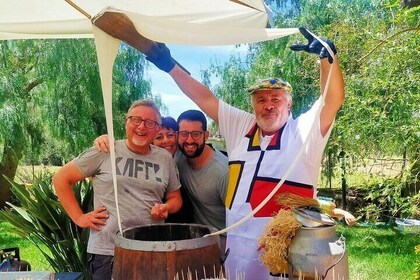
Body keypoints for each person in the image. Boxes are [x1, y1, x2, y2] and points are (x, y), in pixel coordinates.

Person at [145, 27, 345, 279]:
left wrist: (328, 58)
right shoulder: (241, 126)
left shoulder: (304, 133)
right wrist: (167, 64)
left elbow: (332, 100)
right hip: (238, 250)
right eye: (261, 99)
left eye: (276, 98)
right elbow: (204, 98)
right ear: (253, 104)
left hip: (287, 253)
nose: (268, 105)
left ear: (289, 103)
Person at [52, 100, 182, 280]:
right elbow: (61, 179)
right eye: (136, 120)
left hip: (152, 248)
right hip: (108, 251)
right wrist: (79, 218)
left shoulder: (165, 158)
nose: (142, 127)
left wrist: (166, 208)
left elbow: (175, 198)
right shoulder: (105, 150)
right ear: (126, 122)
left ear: (157, 128)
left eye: (150, 122)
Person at [95, 110, 229, 249]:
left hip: (211, 236)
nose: (166, 141)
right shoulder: (153, 161)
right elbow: (130, 146)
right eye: (159, 137)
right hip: (155, 239)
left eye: (170, 135)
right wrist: (105, 140)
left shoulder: (187, 158)